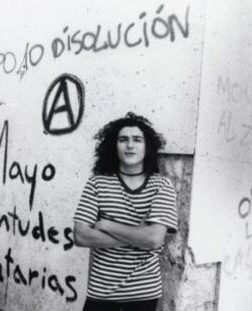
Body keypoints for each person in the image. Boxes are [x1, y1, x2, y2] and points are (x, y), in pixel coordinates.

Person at [73, 112, 178, 311]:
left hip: (143, 294)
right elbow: (81, 236)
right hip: (100, 293)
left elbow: (154, 239)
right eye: (123, 140)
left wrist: (107, 225)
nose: (130, 145)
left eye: (137, 140)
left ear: (147, 147)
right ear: (114, 146)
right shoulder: (97, 183)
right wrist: (139, 235)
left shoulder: (161, 185)